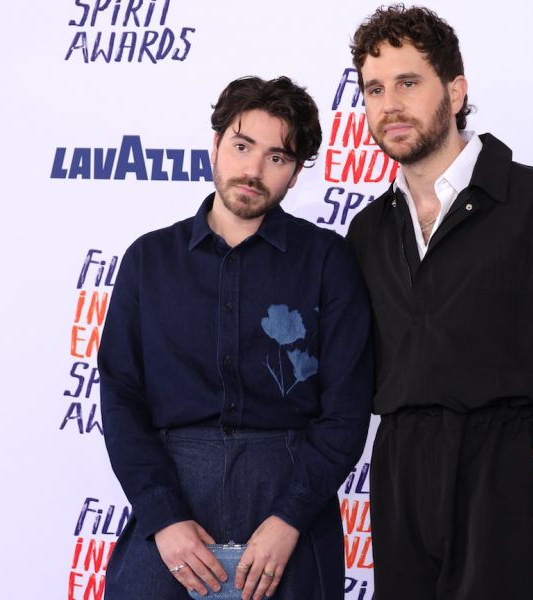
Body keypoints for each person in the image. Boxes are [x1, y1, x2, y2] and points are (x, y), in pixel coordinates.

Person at [345, 6, 533, 599]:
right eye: (374, 89)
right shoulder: (368, 232)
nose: (389, 105)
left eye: (409, 83)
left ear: (455, 91)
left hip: (504, 473)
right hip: (401, 478)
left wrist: (532, 474)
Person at [99, 76, 373, 600]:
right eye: (242, 146)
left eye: (278, 157)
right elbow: (121, 398)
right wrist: (164, 518)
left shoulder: (328, 262)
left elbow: (346, 411)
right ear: (215, 145)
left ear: (295, 174)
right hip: (172, 508)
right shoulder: (148, 261)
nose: (253, 170)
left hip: (289, 508)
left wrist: (290, 517)